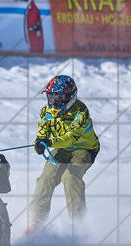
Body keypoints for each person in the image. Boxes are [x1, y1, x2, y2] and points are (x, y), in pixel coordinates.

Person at [29, 75, 100, 233]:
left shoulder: (81, 111)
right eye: (52, 95)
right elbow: (42, 134)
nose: (55, 100)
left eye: (60, 96)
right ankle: (36, 224)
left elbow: (71, 138)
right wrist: (39, 144)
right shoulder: (45, 111)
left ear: (70, 96)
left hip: (84, 149)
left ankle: (78, 226)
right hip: (61, 149)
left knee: (70, 177)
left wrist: (50, 143)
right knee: (44, 180)